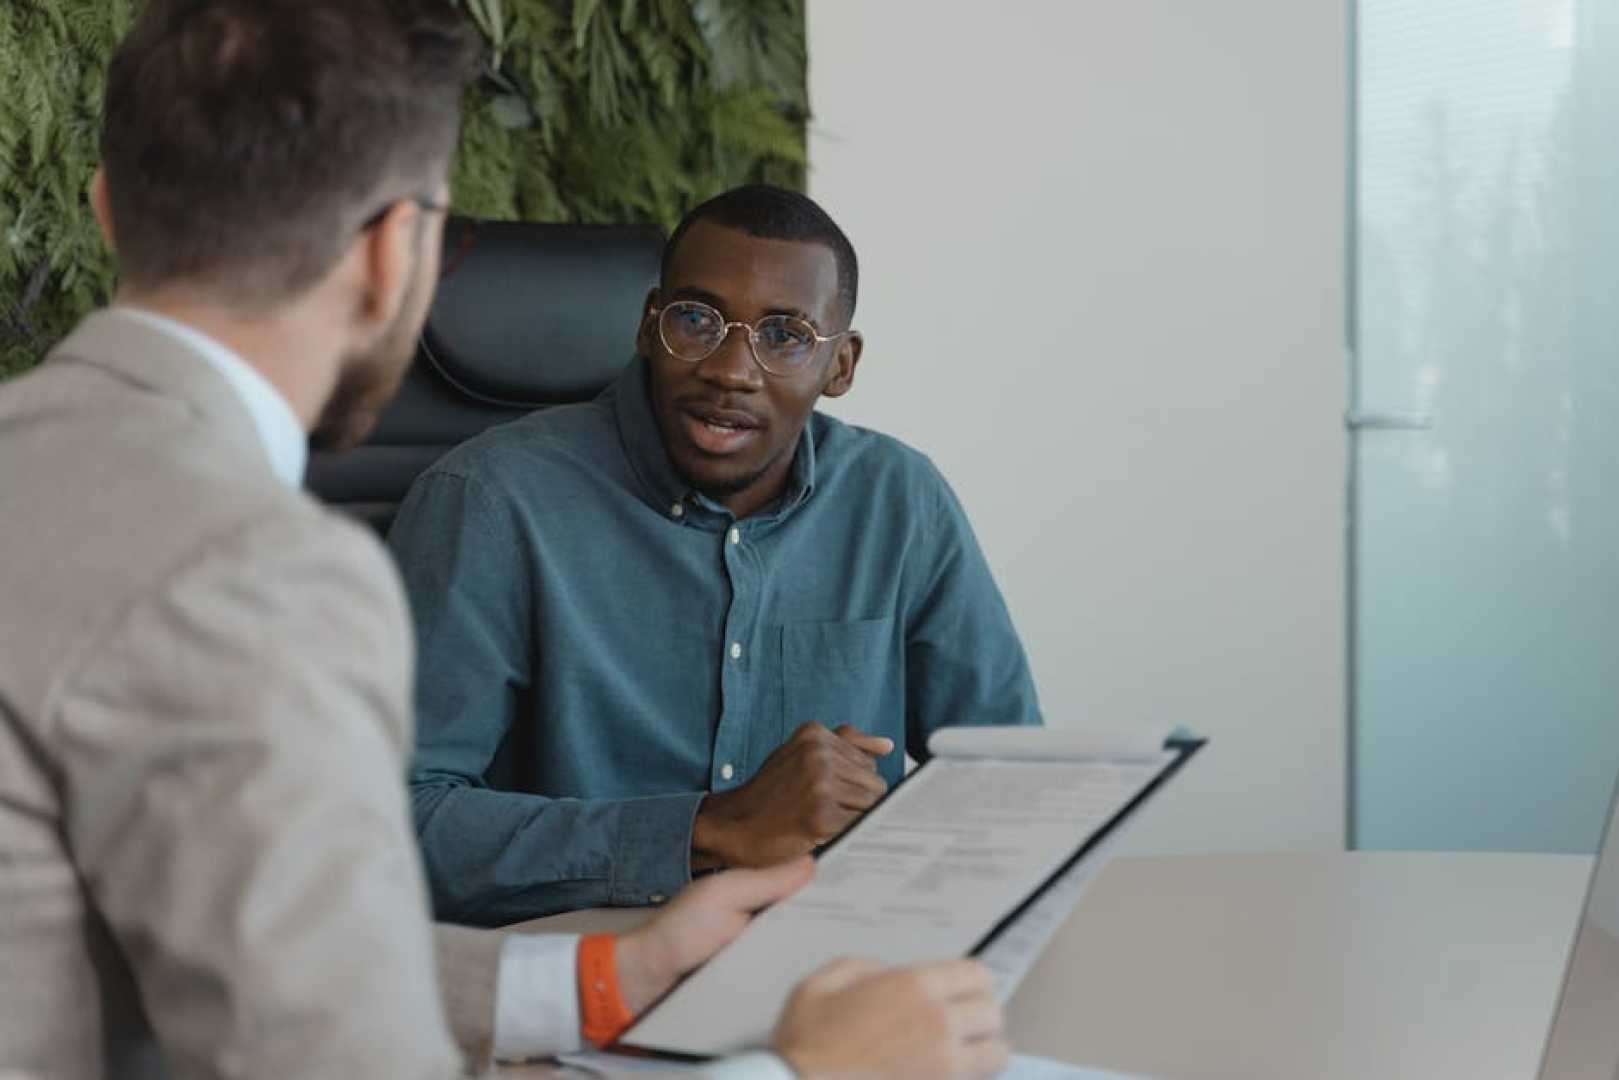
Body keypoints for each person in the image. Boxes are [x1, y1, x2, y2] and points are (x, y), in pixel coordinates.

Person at [0, 3, 1009, 1078]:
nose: (730, 366)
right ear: (398, 254)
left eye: (782, 336)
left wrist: (602, 981)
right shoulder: (258, 568)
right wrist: (810, 1072)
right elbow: (326, 1053)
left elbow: (249, 959)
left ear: (104, 209)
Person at [390, 184, 1043, 926]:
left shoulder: (899, 502)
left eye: (785, 334)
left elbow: (1015, 787)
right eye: (697, 320)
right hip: (582, 967)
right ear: (648, 326)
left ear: (840, 366)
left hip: (831, 954)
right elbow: (389, 824)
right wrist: (708, 829)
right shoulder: (489, 502)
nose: (732, 369)